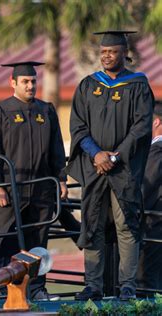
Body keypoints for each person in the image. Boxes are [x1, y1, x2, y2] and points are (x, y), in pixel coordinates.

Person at [67, 30, 154, 301]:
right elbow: (78, 126)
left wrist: (115, 156)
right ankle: (93, 285)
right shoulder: (88, 85)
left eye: (112, 52)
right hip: (96, 168)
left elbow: (141, 128)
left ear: (123, 54)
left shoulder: (138, 85)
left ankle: (126, 285)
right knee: (91, 225)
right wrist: (96, 154)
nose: (106, 56)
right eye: (103, 52)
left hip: (123, 169)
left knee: (126, 225)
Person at [0, 61, 67, 301]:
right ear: (13, 83)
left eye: (33, 81)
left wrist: (61, 179)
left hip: (41, 188)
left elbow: (56, 148)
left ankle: (36, 290)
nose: (30, 85)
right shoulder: (1, 111)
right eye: (25, 81)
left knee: (38, 242)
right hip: (11, 188)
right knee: (4, 240)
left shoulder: (46, 111)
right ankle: (0, 290)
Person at [136, 101, 162, 291]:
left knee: (146, 282)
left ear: (156, 123)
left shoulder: (156, 151)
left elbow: (147, 188)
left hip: (154, 223)